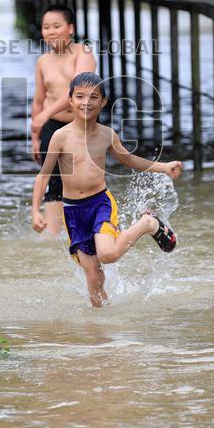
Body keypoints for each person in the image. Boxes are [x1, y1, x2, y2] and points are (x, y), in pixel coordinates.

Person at [31, 72, 183, 308]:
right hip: (73, 211)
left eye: (94, 97)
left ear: (103, 102)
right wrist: (35, 211)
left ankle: (147, 224)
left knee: (108, 255)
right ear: (69, 100)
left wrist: (164, 167)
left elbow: (130, 160)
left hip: (100, 204)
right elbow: (44, 175)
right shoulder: (60, 137)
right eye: (80, 96)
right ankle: (102, 332)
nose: (86, 102)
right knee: (93, 278)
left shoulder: (106, 135)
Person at [31, 4, 97, 237]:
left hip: (81, 126)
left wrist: (44, 114)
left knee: (85, 177)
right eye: (46, 27)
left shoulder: (83, 53)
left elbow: (79, 89)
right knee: (54, 180)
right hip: (52, 126)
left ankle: (88, 230)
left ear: (70, 29)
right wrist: (35, 136)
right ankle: (52, 237)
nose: (50, 31)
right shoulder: (43, 61)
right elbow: (39, 101)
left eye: (56, 26)